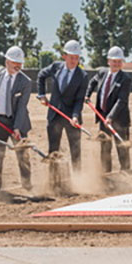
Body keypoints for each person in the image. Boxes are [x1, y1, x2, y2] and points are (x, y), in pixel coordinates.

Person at [0, 46, 33, 191]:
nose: (18, 66)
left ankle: (27, 185)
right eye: (15, 62)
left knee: (22, 156)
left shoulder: (26, 82)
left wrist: (17, 128)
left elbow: (21, 107)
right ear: (7, 61)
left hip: (17, 121)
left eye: (20, 63)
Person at [37, 40, 87, 171]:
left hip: (72, 119)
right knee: (53, 150)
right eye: (71, 57)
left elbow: (79, 100)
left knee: (75, 151)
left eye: (76, 58)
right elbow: (41, 75)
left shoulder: (82, 76)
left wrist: (75, 116)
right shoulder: (55, 67)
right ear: (64, 56)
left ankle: (78, 179)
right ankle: (53, 178)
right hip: (54, 116)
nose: (74, 60)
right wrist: (41, 95)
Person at [86, 46, 132, 173]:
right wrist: (87, 95)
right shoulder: (102, 72)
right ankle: (106, 175)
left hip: (119, 120)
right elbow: (92, 82)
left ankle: (126, 175)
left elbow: (121, 101)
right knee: (105, 148)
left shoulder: (125, 79)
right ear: (108, 61)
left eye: (119, 61)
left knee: (122, 148)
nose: (116, 63)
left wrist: (111, 117)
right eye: (114, 61)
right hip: (103, 118)